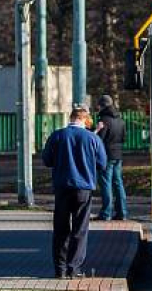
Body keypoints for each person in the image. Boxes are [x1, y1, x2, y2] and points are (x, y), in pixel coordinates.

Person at [42, 106, 107, 279]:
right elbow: (102, 163)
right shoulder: (92, 138)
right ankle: (74, 268)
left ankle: (60, 270)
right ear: (85, 120)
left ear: (70, 118)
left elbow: (47, 160)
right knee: (80, 229)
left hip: (62, 187)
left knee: (61, 229)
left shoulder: (57, 135)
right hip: (83, 189)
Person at [95, 95, 128, 221]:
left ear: (102, 105)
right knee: (118, 183)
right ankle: (122, 212)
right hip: (118, 155)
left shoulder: (104, 120)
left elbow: (99, 139)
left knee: (106, 184)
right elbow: (124, 138)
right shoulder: (120, 120)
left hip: (106, 155)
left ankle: (106, 213)